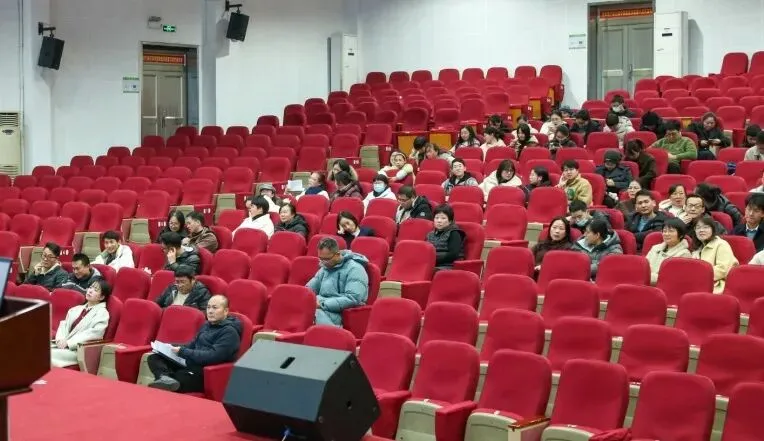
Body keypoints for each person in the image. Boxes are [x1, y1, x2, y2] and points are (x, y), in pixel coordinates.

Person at [147, 295, 242, 393]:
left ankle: (167, 381)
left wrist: (183, 351)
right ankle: (165, 378)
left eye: (215, 308)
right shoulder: (206, 325)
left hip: (206, 370)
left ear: (225, 311)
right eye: (208, 307)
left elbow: (213, 356)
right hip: (192, 363)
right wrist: (171, 347)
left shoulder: (230, 332)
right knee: (154, 358)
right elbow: (192, 345)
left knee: (179, 376)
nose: (210, 311)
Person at [307, 238, 369, 327]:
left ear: (337, 255)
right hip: (321, 307)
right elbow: (309, 289)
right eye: (320, 259)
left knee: (311, 314)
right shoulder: (325, 267)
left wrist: (322, 304)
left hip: (339, 312)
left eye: (326, 259)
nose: (323, 262)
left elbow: (353, 298)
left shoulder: (355, 269)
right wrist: (305, 299)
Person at [51, 279, 111, 368]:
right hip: (62, 345)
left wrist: (69, 343)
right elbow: (64, 325)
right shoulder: (75, 309)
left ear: (102, 297)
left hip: (77, 350)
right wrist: (60, 340)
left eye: (95, 290)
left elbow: (94, 334)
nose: (90, 291)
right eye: (90, 287)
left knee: (45, 355)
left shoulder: (102, 313)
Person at [692, 216, 738, 293]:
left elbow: (723, 270)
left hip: (716, 285)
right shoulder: (698, 248)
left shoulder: (721, 244)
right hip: (698, 283)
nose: (701, 230)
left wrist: (698, 275)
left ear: (713, 229)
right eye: (698, 228)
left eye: (706, 227)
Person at [645, 218, 692, 285]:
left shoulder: (684, 254)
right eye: (664, 231)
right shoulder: (655, 248)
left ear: (681, 235)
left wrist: (644, 276)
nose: (666, 234)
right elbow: (644, 267)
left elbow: (670, 278)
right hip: (646, 283)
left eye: (671, 231)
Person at [426, 204, 466, 270]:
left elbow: (453, 255)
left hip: (448, 266)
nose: (439, 221)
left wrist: (432, 259)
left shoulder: (454, 233)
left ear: (450, 221)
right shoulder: (430, 234)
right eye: (436, 218)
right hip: (432, 264)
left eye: (443, 218)